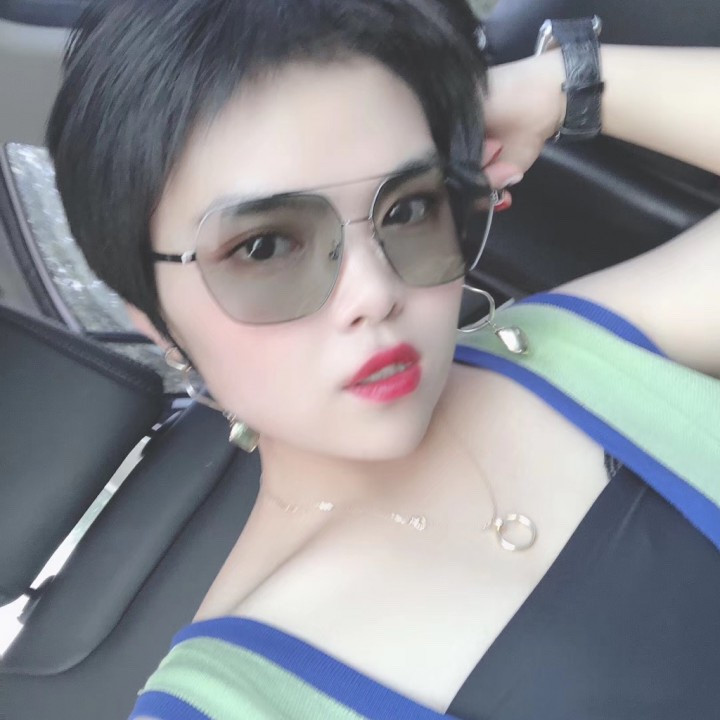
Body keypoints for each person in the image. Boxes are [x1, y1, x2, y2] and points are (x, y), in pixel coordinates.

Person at [45, 0, 720, 717]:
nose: (375, 292)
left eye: (408, 208)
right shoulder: (228, 704)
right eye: (265, 247)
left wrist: (560, 84)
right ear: (155, 320)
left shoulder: (568, 351)